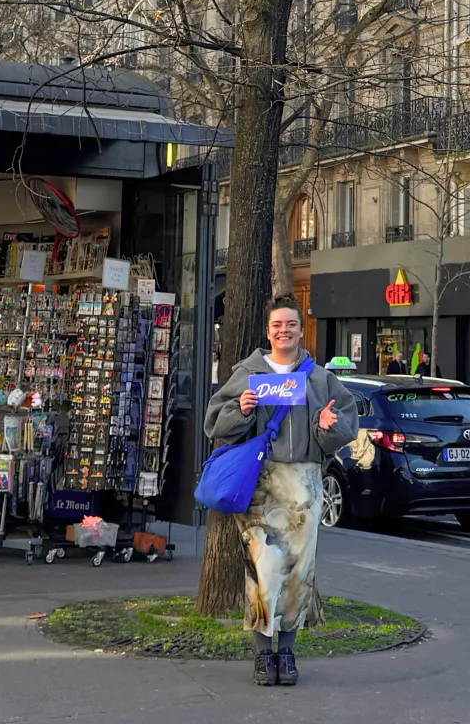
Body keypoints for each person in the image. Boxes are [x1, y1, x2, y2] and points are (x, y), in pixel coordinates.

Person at [204, 294, 359, 687]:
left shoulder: (321, 378)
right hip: (261, 486)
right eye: (277, 325)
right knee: (263, 571)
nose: (283, 331)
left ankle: (287, 653)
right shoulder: (248, 373)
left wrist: (327, 425)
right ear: (268, 330)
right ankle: (262, 654)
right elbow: (215, 425)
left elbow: (347, 426)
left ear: (300, 328)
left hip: (303, 488)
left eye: (290, 324)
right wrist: (241, 408)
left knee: (297, 574)